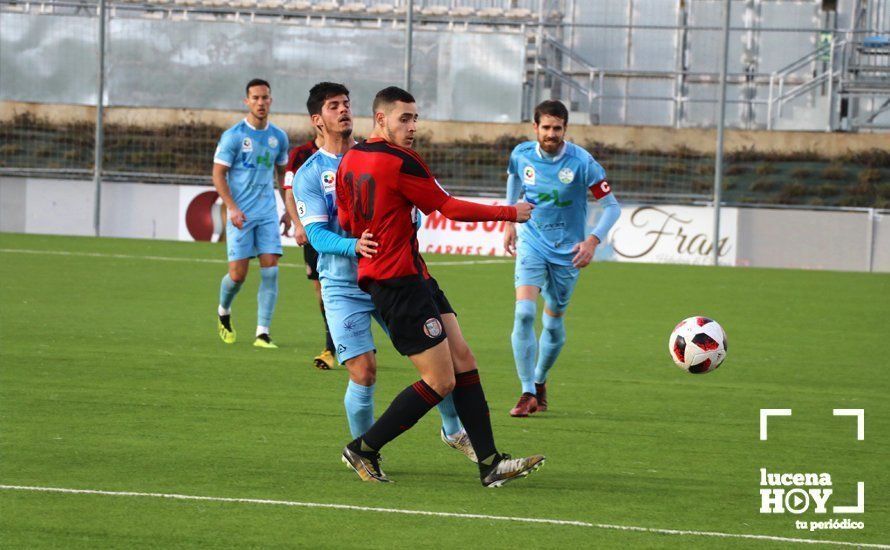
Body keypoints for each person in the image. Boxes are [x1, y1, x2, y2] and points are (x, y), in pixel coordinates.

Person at [336, 86, 544, 487]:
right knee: (440, 380)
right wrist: (510, 212)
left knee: (464, 359)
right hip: (397, 284)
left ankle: (490, 463)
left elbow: (347, 221)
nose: (413, 127)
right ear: (381, 118)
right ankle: (364, 447)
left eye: (415, 118)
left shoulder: (351, 159)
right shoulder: (399, 161)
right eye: (404, 118)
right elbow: (448, 208)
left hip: (415, 277)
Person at [285, 82, 476, 461]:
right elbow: (317, 235)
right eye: (333, 106)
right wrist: (352, 245)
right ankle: (366, 453)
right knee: (364, 371)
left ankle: (454, 431)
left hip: (390, 279)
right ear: (316, 120)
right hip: (342, 284)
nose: (343, 110)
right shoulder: (309, 174)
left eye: (346, 103)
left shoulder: (382, 157)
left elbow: (424, 204)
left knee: (441, 359)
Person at [504, 100, 621, 417]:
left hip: (568, 252)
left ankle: (540, 380)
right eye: (546, 127)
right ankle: (527, 390)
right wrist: (509, 217)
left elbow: (612, 207)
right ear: (535, 128)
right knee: (524, 314)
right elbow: (514, 178)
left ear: (565, 129)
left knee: (552, 323)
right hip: (532, 240)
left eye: (557, 128)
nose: (551, 134)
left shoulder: (583, 163)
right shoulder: (522, 154)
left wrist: (592, 241)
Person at [212, 78, 292, 349]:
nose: (261, 102)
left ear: (271, 100)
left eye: (265, 97)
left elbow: (282, 174)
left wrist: (288, 210)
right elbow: (218, 174)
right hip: (241, 215)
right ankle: (224, 310)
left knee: (271, 269)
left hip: (267, 213)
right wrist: (232, 207)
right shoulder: (234, 136)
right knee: (238, 276)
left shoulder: (278, 137)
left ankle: (262, 333)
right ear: (247, 101)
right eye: (255, 98)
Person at [282, 125, 336, 370]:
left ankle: (338, 345)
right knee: (322, 291)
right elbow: (290, 192)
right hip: (316, 232)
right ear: (318, 120)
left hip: (346, 234)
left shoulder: (352, 152)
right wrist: (298, 225)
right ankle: (333, 345)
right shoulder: (301, 155)